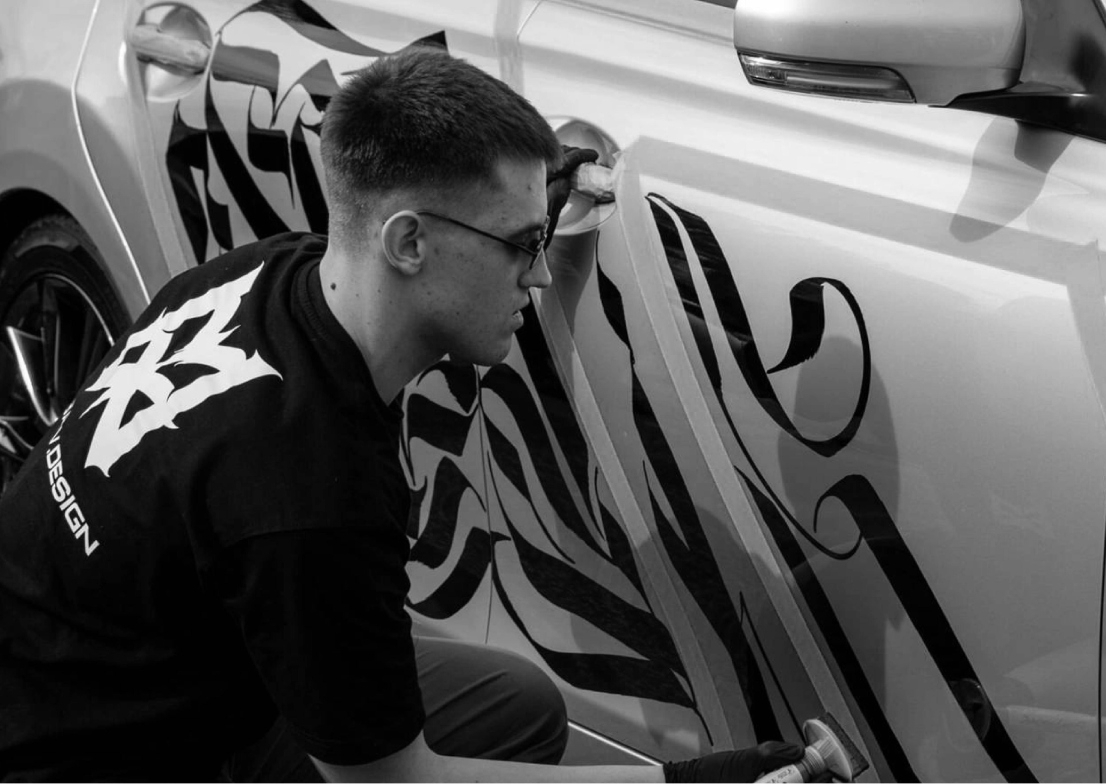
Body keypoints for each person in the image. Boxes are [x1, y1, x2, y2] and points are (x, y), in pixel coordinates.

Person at [0, 46, 806, 782]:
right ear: (409, 243)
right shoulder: (308, 489)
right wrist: (686, 782)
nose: (537, 277)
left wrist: (517, 208)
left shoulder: (263, 274)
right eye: (523, 244)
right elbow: (396, 783)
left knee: (511, 702)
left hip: (91, 677)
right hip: (93, 762)